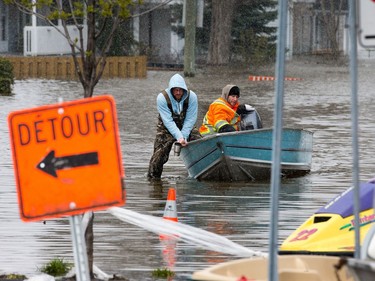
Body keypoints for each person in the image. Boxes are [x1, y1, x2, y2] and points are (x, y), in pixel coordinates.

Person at [147, 73, 201, 179]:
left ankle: (201, 172)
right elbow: (168, 122)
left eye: (180, 90)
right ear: (171, 89)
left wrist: (184, 136)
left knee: (200, 144)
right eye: (175, 90)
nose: (178, 92)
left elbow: (190, 119)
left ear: (184, 89)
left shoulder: (192, 97)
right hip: (166, 128)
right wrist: (179, 138)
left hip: (186, 126)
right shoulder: (162, 98)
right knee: (158, 155)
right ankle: (153, 178)